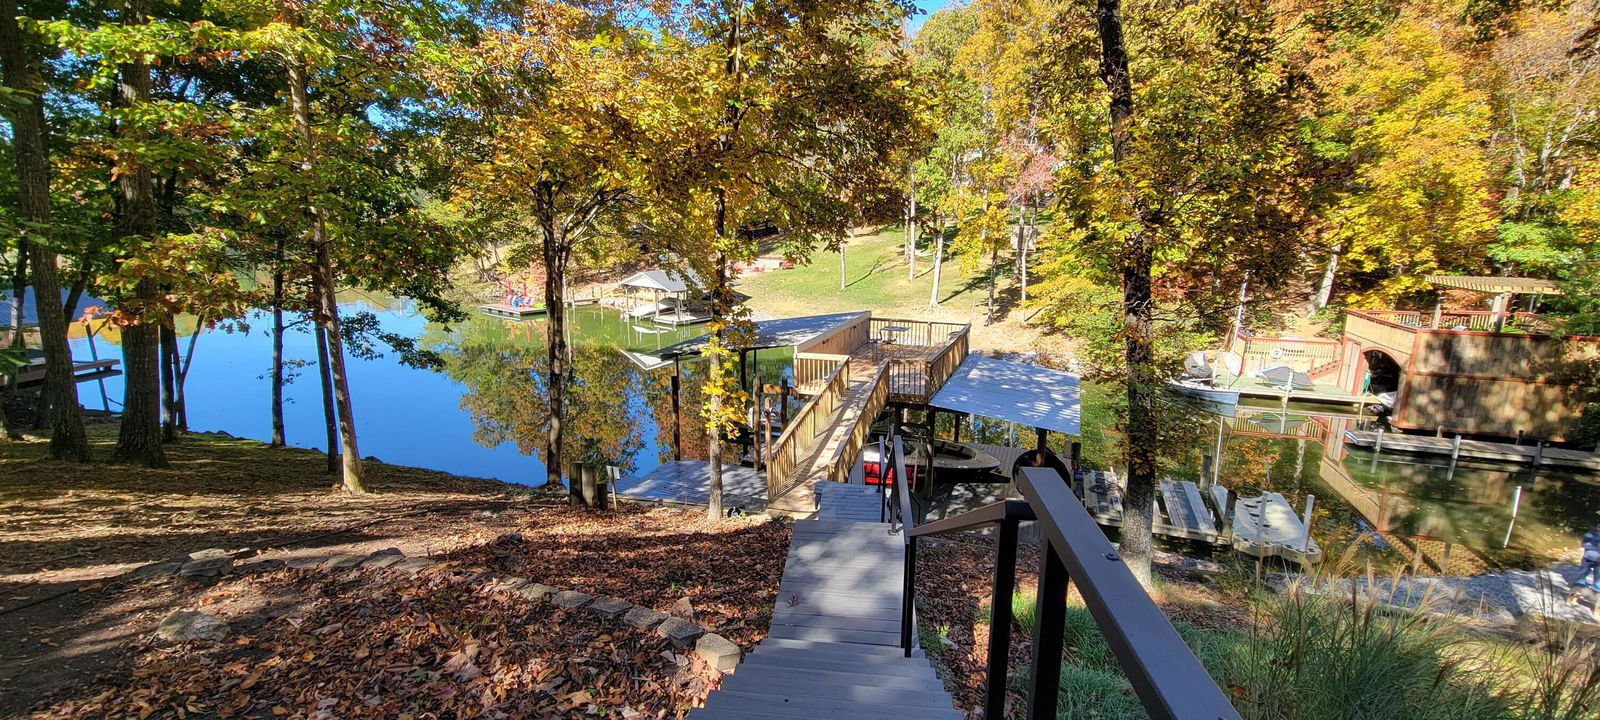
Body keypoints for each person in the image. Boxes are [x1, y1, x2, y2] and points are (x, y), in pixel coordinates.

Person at [1575, 525, 1600, 589]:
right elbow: (1583, 545)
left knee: (1598, 577)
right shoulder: (1590, 534)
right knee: (1583, 573)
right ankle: (1578, 587)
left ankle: (1595, 590)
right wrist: (1596, 546)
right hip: (1587, 558)